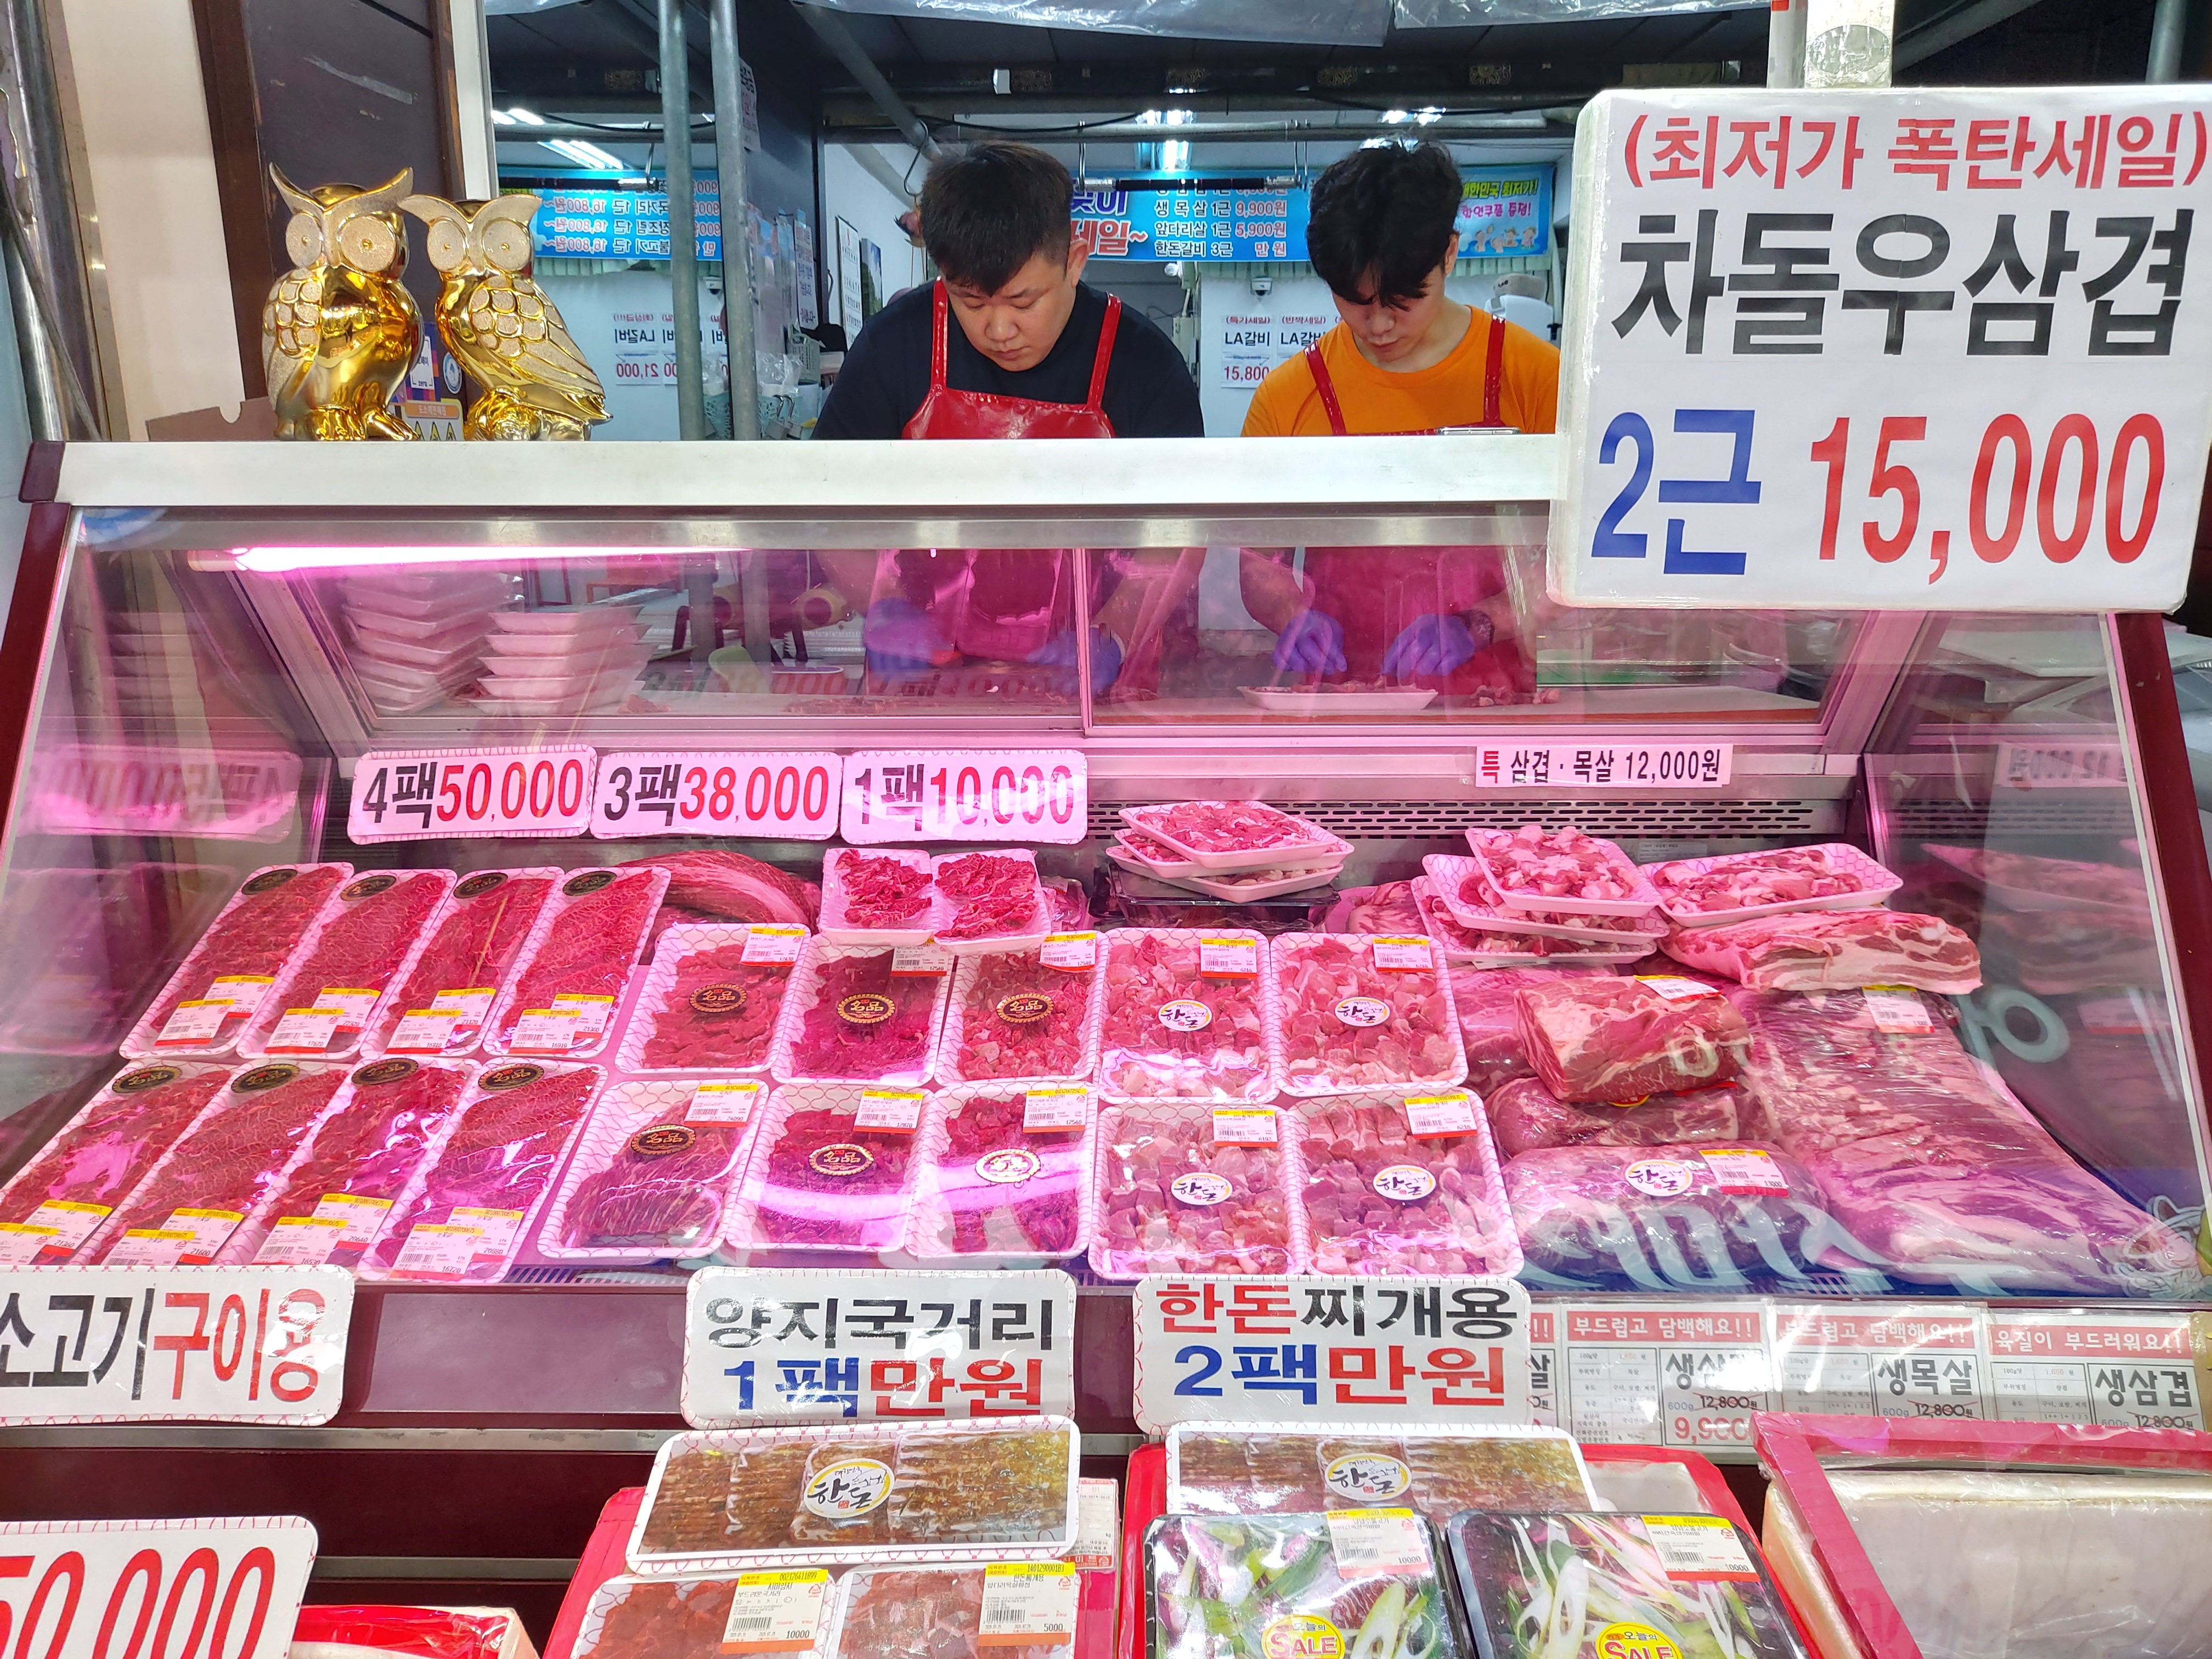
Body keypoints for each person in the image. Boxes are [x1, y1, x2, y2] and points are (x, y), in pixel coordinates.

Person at [812, 142, 1205, 697]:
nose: (999, 330)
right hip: (926, 681)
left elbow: (1182, 531)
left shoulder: (1143, 363)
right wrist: (882, 607)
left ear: (1075, 260)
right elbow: (825, 504)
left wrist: (1113, 637)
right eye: (971, 302)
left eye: (1023, 303)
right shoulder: (895, 344)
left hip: (1093, 690)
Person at [1239, 143, 1562, 696]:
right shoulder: (1289, 396)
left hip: (1495, 704)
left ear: (1449, 254)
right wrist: (1291, 612)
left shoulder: (1533, 376)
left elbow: (1582, 558)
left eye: (1402, 300)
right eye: (1355, 300)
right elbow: (1255, 562)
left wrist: (1483, 622)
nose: (1379, 324)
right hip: (1346, 700)